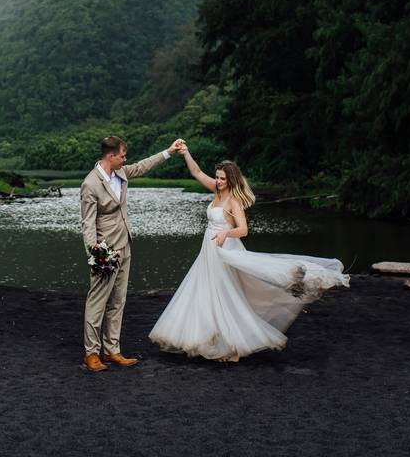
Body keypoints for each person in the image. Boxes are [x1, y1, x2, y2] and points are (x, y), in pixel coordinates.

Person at [148, 146, 349, 361]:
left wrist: (226, 232)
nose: (218, 181)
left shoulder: (233, 201)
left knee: (224, 293)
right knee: (204, 289)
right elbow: (196, 172)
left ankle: (229, 341)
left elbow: (243, 230)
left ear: (231, 180)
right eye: (217, 177)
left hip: (224, 250)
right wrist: (185, 153)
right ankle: (207, 336)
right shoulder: (216, 192)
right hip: (208, 250)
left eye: (222, 179)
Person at [80, 135, 185, 372]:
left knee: (118, 301)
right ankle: (91, 354)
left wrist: (168, 151)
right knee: (97, 303)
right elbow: (87, 223)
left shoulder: (121, 173)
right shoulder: (90, 183)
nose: (125, 159)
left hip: (125, 245)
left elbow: (143, 165)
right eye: (122, 156)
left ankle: (112, 350)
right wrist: (94, 252)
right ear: (110, 156)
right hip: (104, 252)